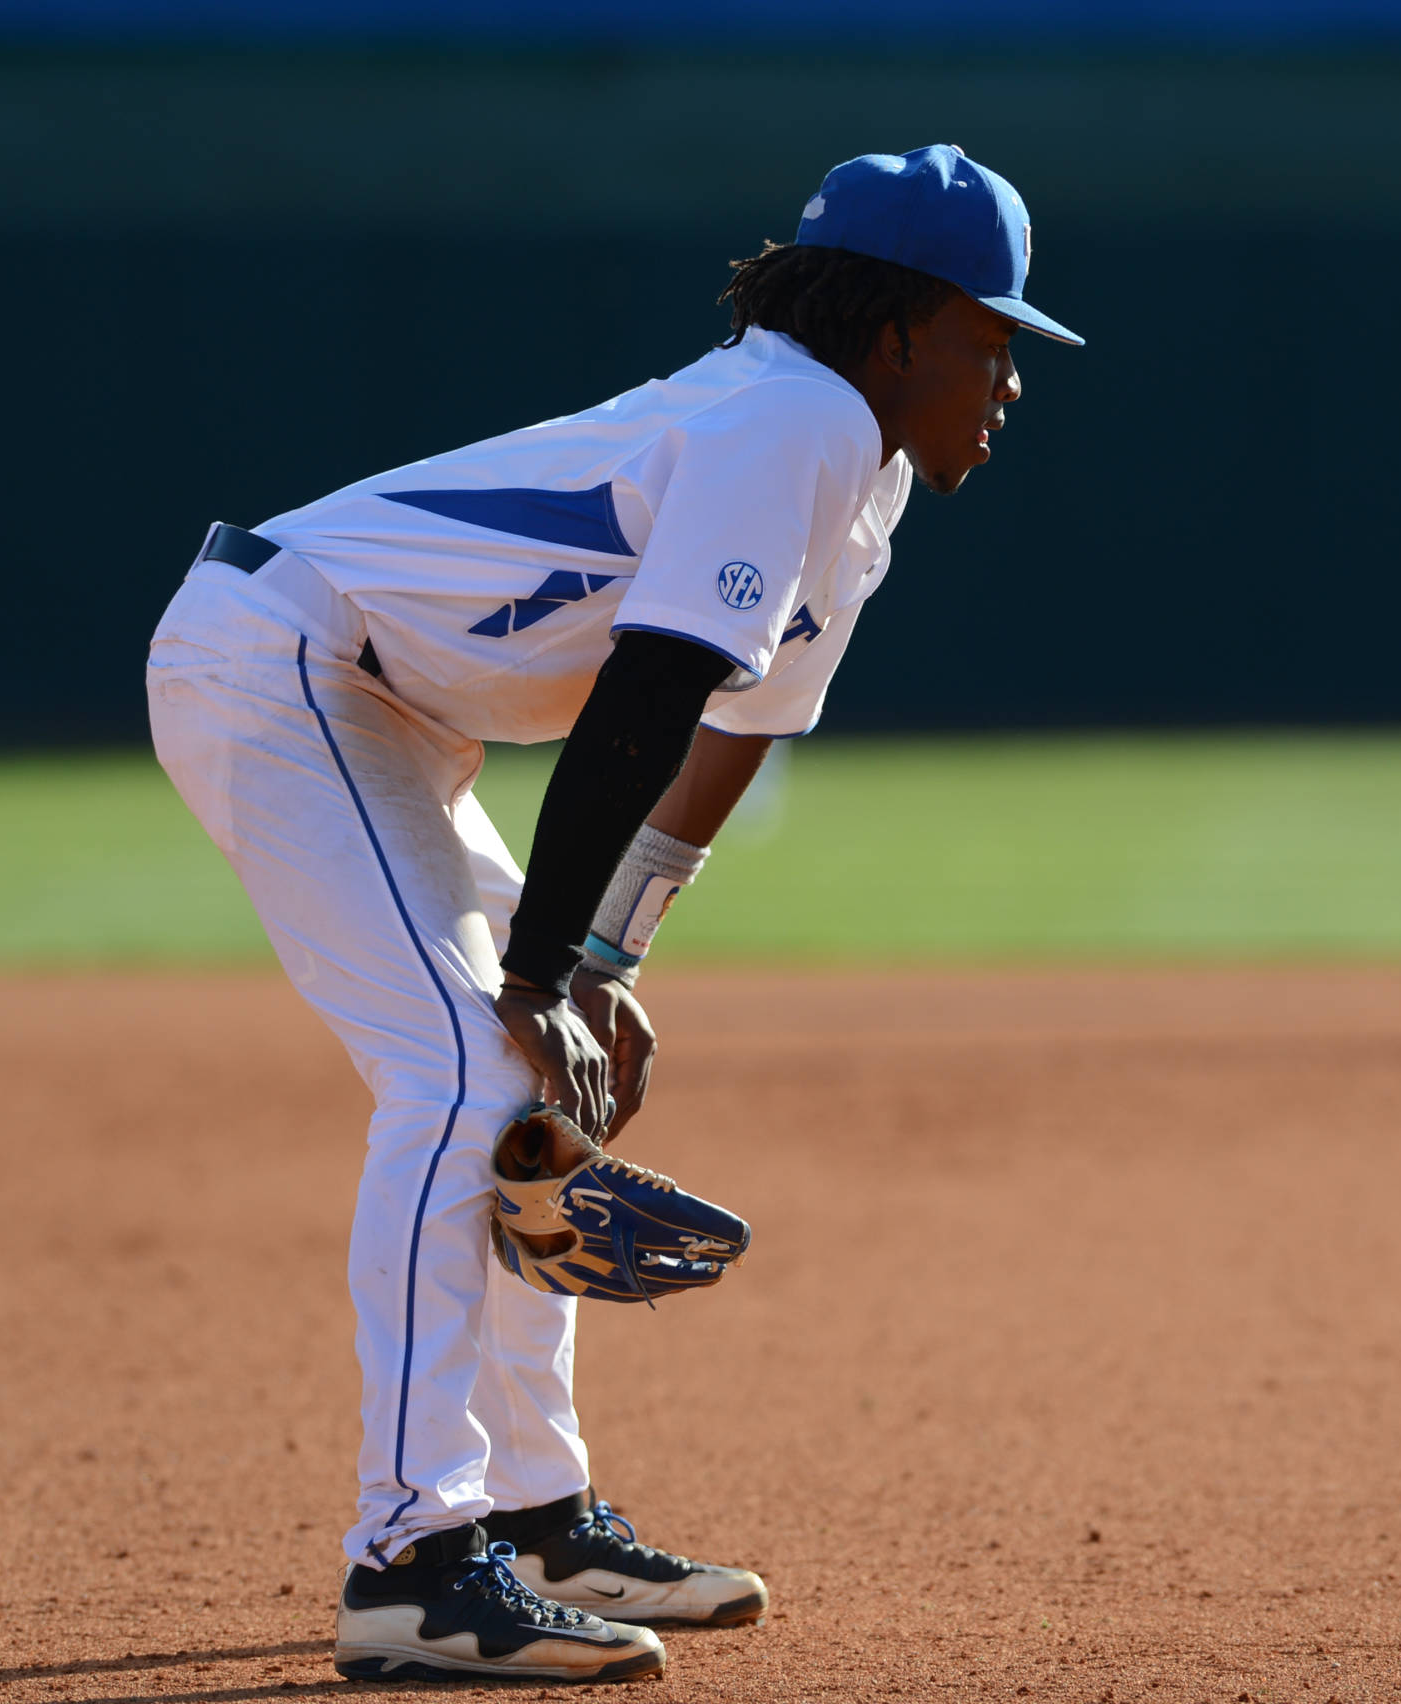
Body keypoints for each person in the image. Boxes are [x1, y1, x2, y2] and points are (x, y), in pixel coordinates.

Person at [145, 145, 1081, 1683]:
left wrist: (597, 961)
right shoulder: (794, 414)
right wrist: (535, 971)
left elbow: (733, 731)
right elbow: (644, 698)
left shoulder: (860, 470)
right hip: (281, 661)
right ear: (901, 329)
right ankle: (412, 1565)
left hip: (384, 703)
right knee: (460, 1075)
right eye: (993, 340)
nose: (1009, 381)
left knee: (533, 1086)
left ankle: (540, 1514)